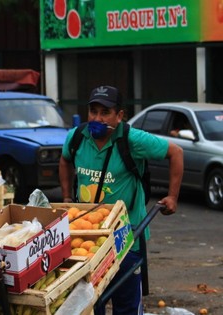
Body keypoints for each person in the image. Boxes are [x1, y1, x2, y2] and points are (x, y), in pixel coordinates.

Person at [59, 85, 183, 315]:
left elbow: (176, 153)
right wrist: (67, 196)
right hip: (87, 238)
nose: (97, 118)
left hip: (126, 237)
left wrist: (173, 196)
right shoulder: (77, 137)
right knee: (89, 305)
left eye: (105, 113)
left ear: (119, 116)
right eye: (93, 111)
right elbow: (65, 159)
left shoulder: (132, 139)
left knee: (125, 306)